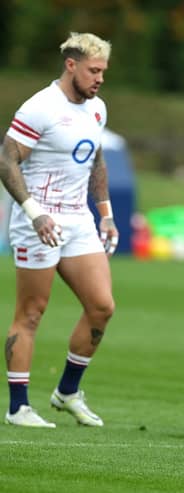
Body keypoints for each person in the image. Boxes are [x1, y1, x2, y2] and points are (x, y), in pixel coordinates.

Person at [0, 32, 117, 428]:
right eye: (93, 70)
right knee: (31, 312)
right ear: (71, 66)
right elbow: (6, 160)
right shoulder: (40, 107)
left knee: (102, 307)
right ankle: (18, 407)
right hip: (39, 220)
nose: (100, 78)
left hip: (79, 220)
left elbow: (96, 160)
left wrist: (106, 214)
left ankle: (67, 391)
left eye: (103, 71)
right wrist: (34, 213)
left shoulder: (97, 108)